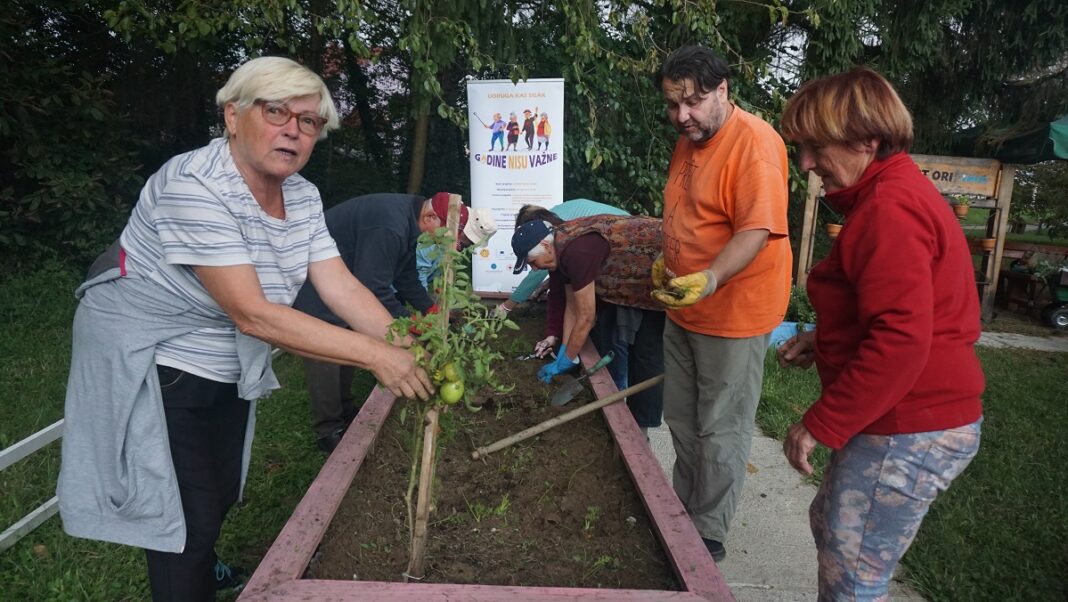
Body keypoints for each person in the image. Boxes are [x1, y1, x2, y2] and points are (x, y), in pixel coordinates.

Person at [56, 57, 433, 602]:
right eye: (277, 111)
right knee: (183, 517)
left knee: (221, 488)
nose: (293, 131)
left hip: (221, 351)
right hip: (155, 353)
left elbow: (341, 286)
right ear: (232, 116)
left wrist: (401, 342)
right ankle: (187, 572)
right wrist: (376, 358)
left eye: (309, 122)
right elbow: (252, 313)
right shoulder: (194, 186)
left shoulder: (300, 195)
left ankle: (201, 559)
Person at [776, 67, 984, 600]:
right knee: (831, 524)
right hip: (905, 416)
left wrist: (819, 423)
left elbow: (900, 340)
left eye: (816, 146)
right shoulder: (888, 195)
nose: (807, 164)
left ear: (868, 139)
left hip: (910, 423)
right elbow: (899, 310)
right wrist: (824, 339)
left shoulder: (889, 208)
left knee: (852, 576)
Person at [651, 45, 791, 562]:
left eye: (693, 101)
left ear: (724, 90)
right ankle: (684, 513)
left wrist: (708, 279)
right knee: (683, 420)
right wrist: (668, 260)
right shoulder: (691, 139)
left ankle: (707, 534)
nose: (681, 115)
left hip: (732, 311)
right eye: (673, 104)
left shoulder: (753, 143)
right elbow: (688, 209)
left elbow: (755, 231)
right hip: (684, 305)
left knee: (720, 427)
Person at [292, 192, 484, 453]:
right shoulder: (390, 226)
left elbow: (405, 278)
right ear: (430, 217)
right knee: (326, 352)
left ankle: (345, 410)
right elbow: (374, 289)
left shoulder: (409, 223)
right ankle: (329, 430)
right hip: (312, 282)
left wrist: (430, 309)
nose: (449, 246)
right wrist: (416, 325)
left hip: (343, 284)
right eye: (448, 237)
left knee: (351, 341)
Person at [511, 215, 665, 435]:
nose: (535, 269)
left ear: (545, 245)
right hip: (631, 287)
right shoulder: (560, 251)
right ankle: (626, 417)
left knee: (646, 356)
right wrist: (566, 351)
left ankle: (639, 434)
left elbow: (586, 316)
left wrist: (567, 358)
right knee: (622, 345)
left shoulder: (576, 251)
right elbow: (572, 307)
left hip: (657, 273)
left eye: (532, 262)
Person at [494, 199, 629, 319]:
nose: (534, 266)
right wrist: (547, 284)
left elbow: (537, 272)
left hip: (626, 244)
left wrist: (506, 307)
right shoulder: (555, 217)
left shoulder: (559, 229)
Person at [417, 206, 499, 289]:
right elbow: (419, 272)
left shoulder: (452, 244)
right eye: (470, 241)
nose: (469, 245)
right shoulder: (438, 237)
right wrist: (424, 300)